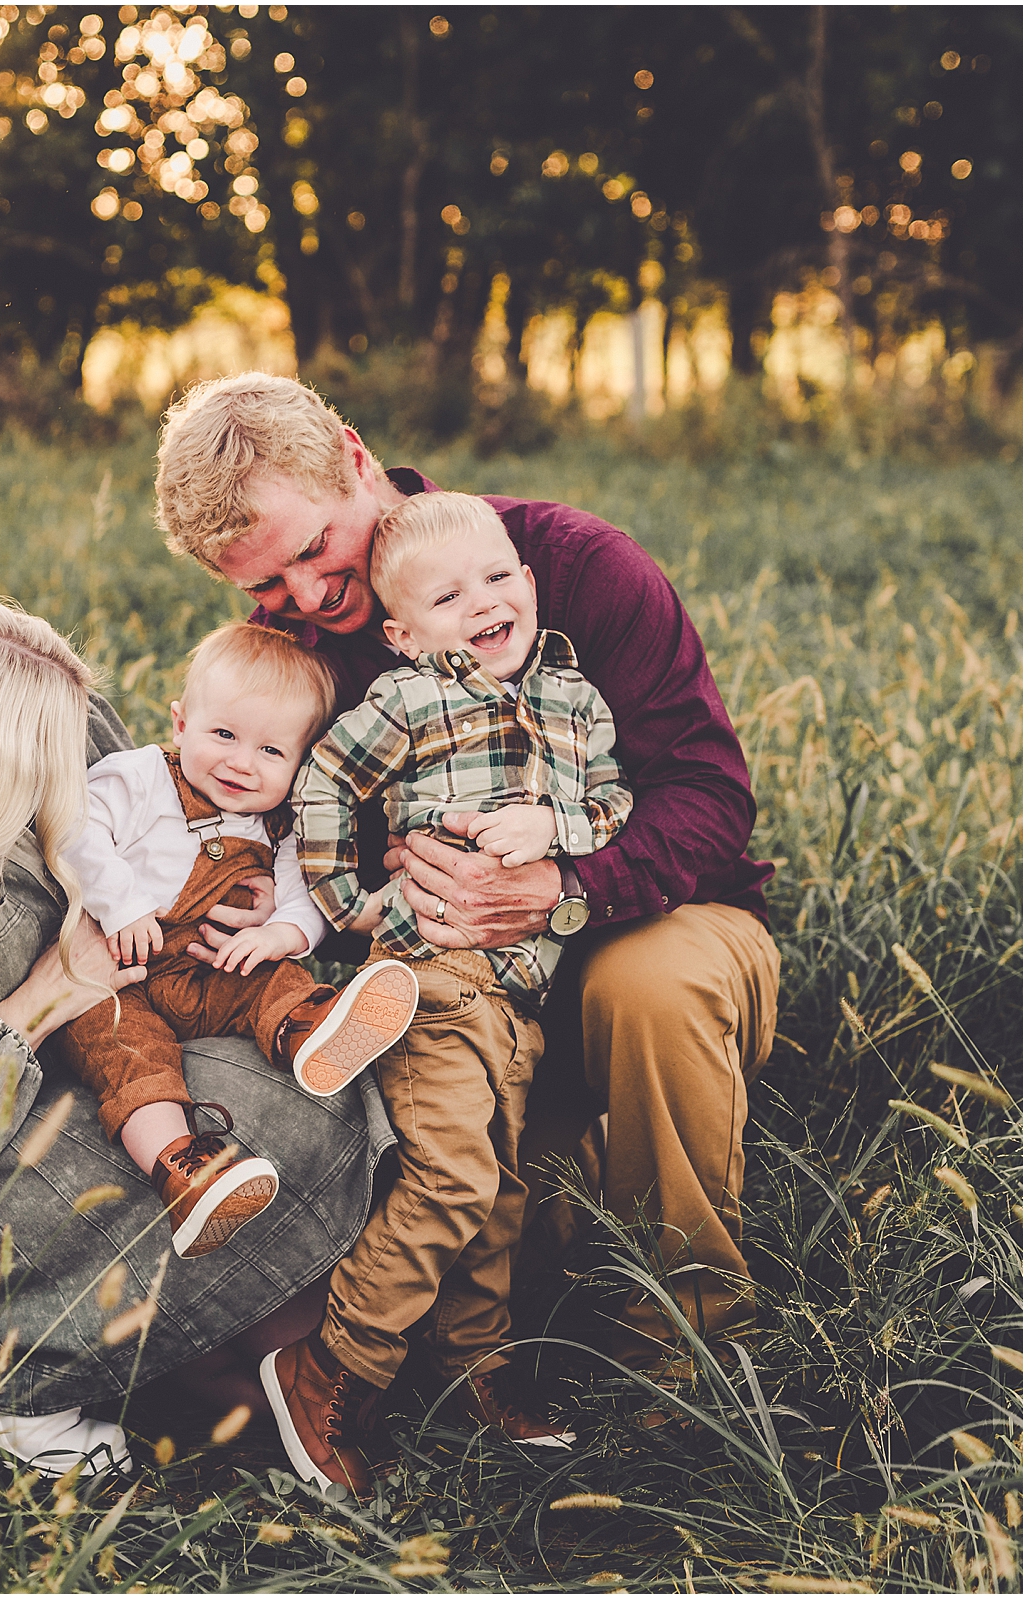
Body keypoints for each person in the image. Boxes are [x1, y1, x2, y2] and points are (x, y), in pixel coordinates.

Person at [153, 373, 781, 1413]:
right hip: (458, 985)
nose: (307, 599)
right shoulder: (302, 666)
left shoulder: (564, 567)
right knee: (481, 1194)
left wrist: (560, 884)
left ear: (354, 460)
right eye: (266, 589)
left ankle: (689, 1351)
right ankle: (515, 1284)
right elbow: (278, 822)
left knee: (646, 988)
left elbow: (710, 798)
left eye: (312, 550)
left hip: (659, 924)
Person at [0, 596, 395, 1478]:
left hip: (106, 1051)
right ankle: (17, 1379)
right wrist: (48, 992)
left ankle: (240, 1337)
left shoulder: (63, 731)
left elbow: (166, 814)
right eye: (41, 769)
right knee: (252, 1133)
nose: (72, 775)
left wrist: (223, 885)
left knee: (316, 1084)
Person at [261, 492, 632, 1494]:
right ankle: (334, 1363)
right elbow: (326, 783)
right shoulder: (406, 701)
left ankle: (474, 1367)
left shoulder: (574, 701)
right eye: (447, 595)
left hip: (519, 992)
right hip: (430, 975)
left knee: (499, 1189)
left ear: (527, 579)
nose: (482, 601)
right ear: (400, 632)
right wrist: (350, 903)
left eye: (498, 577)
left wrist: (555, 831)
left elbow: (612, 800)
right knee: (453, 1177)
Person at [58, 621, 417, 1259]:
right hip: (115, 972)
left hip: (209, 970)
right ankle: (186, 1170)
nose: (241, 763)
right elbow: (76, 830)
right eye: (224, 735)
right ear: (180, 724)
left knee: (272, 979)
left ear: (301, 763)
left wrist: (283, 932)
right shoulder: (138, 778)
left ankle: (310, 1030)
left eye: (271, 752)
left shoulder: (278, 824)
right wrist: (123, 906)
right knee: (124, 1054)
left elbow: (302, 891)